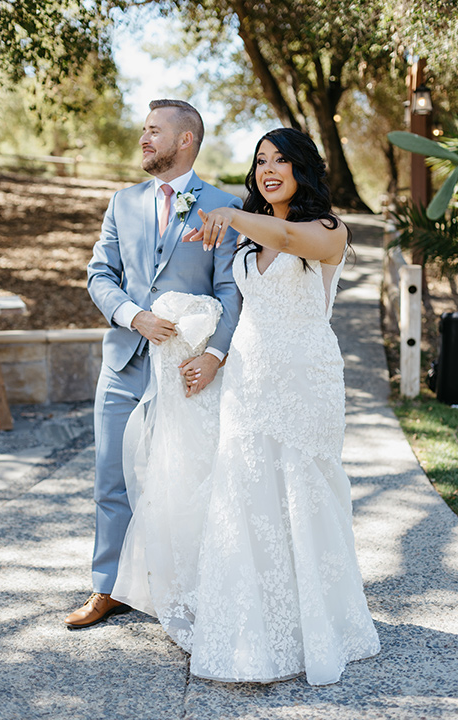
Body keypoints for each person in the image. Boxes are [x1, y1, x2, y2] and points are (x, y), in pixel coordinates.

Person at [112, 127, 380, 685]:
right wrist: (212, 353)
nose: (268, 169)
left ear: (304, 168)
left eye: (281, 159)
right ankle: (254, 630)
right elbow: (238, 304)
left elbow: (287, 236)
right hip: (250, 380)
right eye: (261, 161)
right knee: (247, 495)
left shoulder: (328, 230)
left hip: (306, 379)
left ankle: (323, 628)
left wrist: (231, 215)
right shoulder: (249, 239)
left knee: (305, 491)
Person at [64, 99, 242, 629]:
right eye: (143, 130)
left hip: (186, 372)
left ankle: (187, 586)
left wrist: (214, 356)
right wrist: (132, 315)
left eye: (154, 131)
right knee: (111, 480)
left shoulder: (224, 206)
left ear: (185, 140)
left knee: (187, 479)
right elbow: (100, 274)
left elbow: (232, 291)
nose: (144, 139)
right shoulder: (123, 202)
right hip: (125, 361)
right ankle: (108, 588)